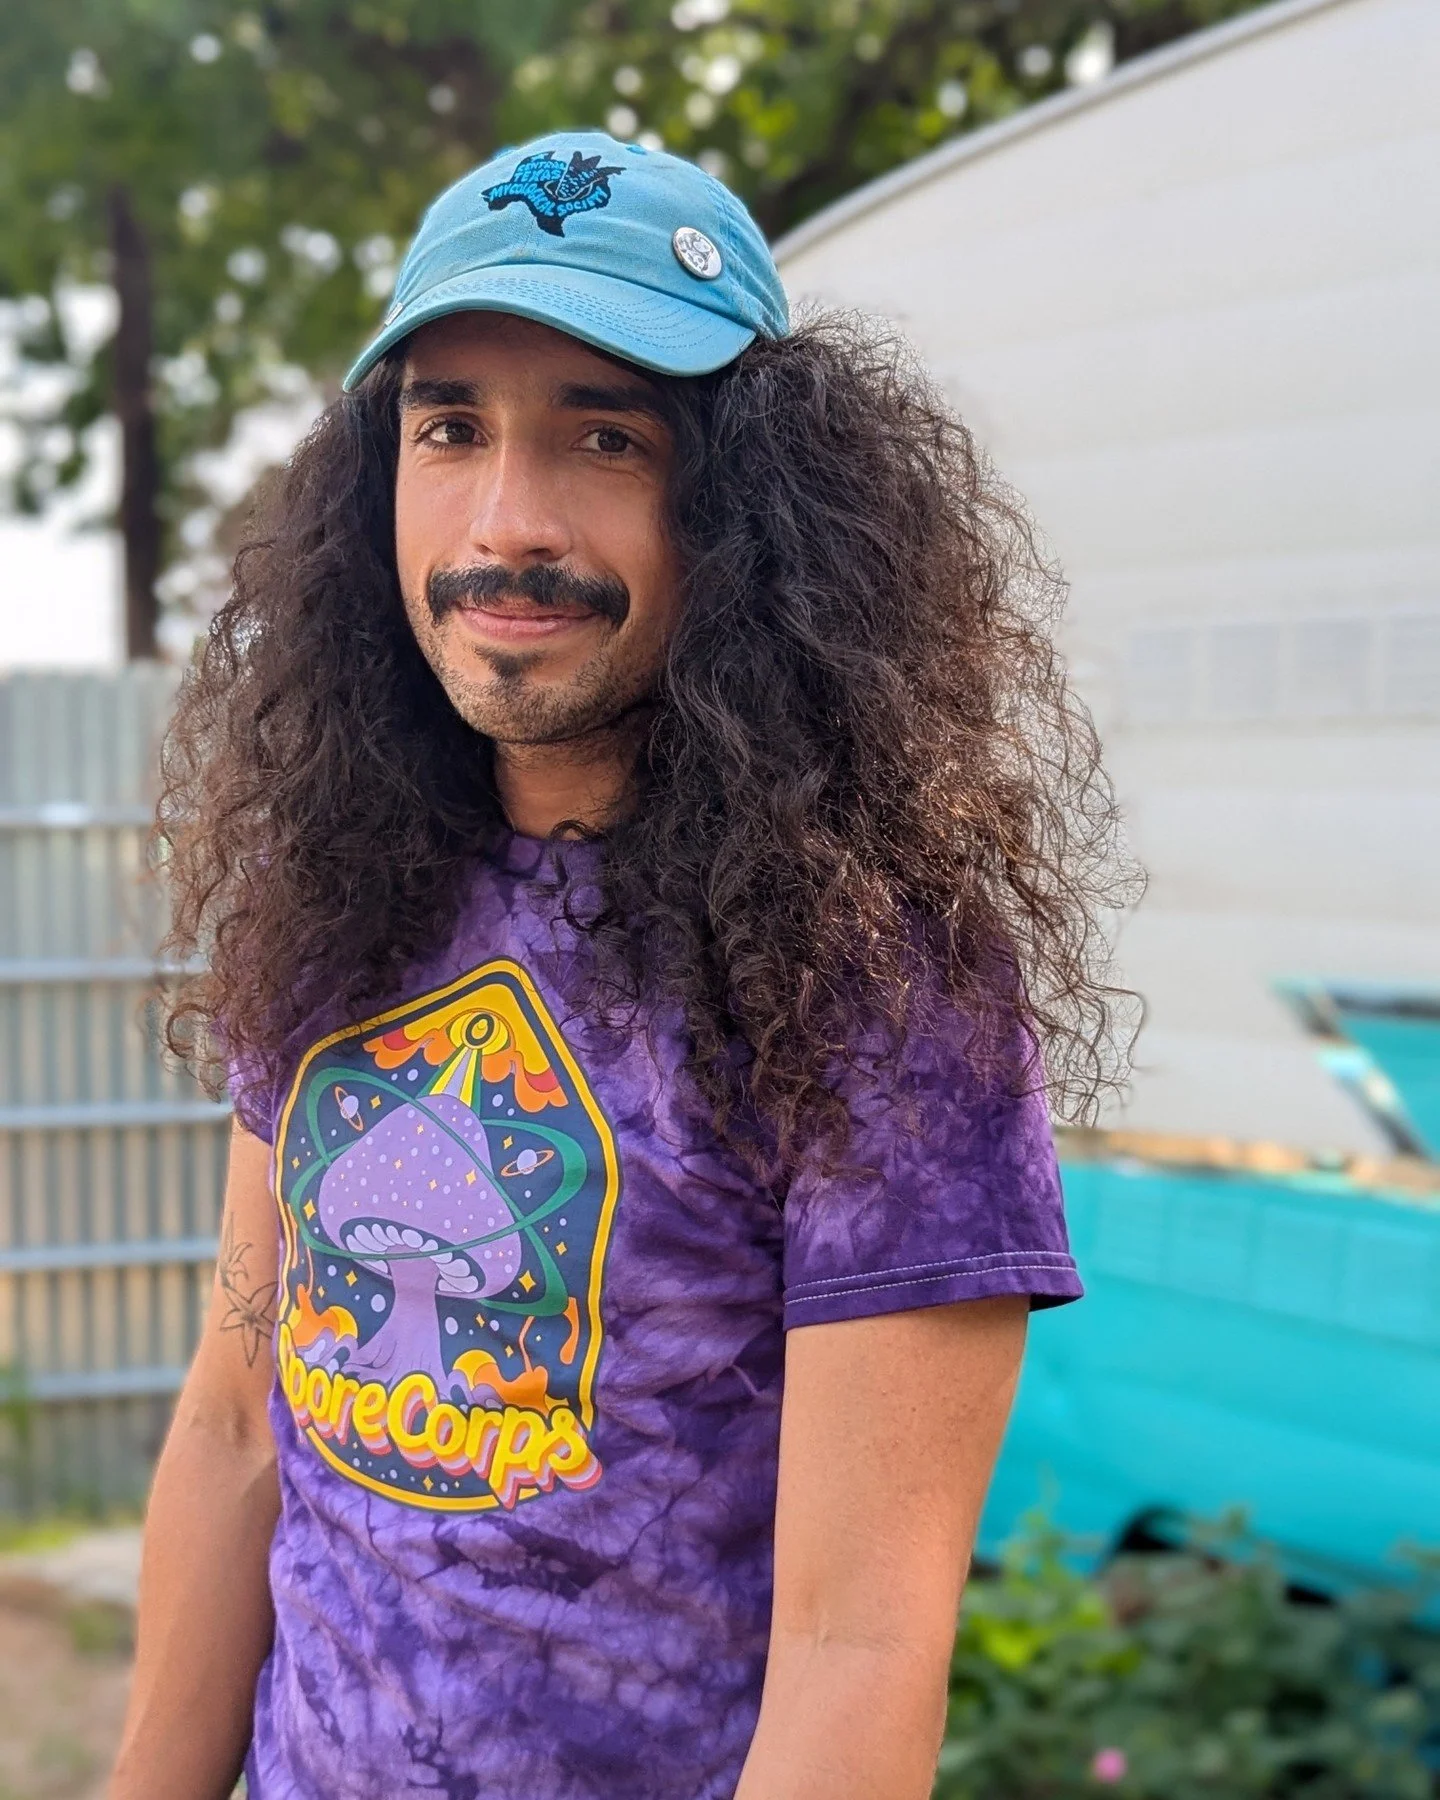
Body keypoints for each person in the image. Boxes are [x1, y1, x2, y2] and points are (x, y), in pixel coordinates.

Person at [112, 130, 1130, 1800]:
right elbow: (238, 1428)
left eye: (605, 436)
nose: (507, 521)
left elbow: (859, 1648)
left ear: (745, 509)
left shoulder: (879, 981)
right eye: (451, 429)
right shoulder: (338, 888)